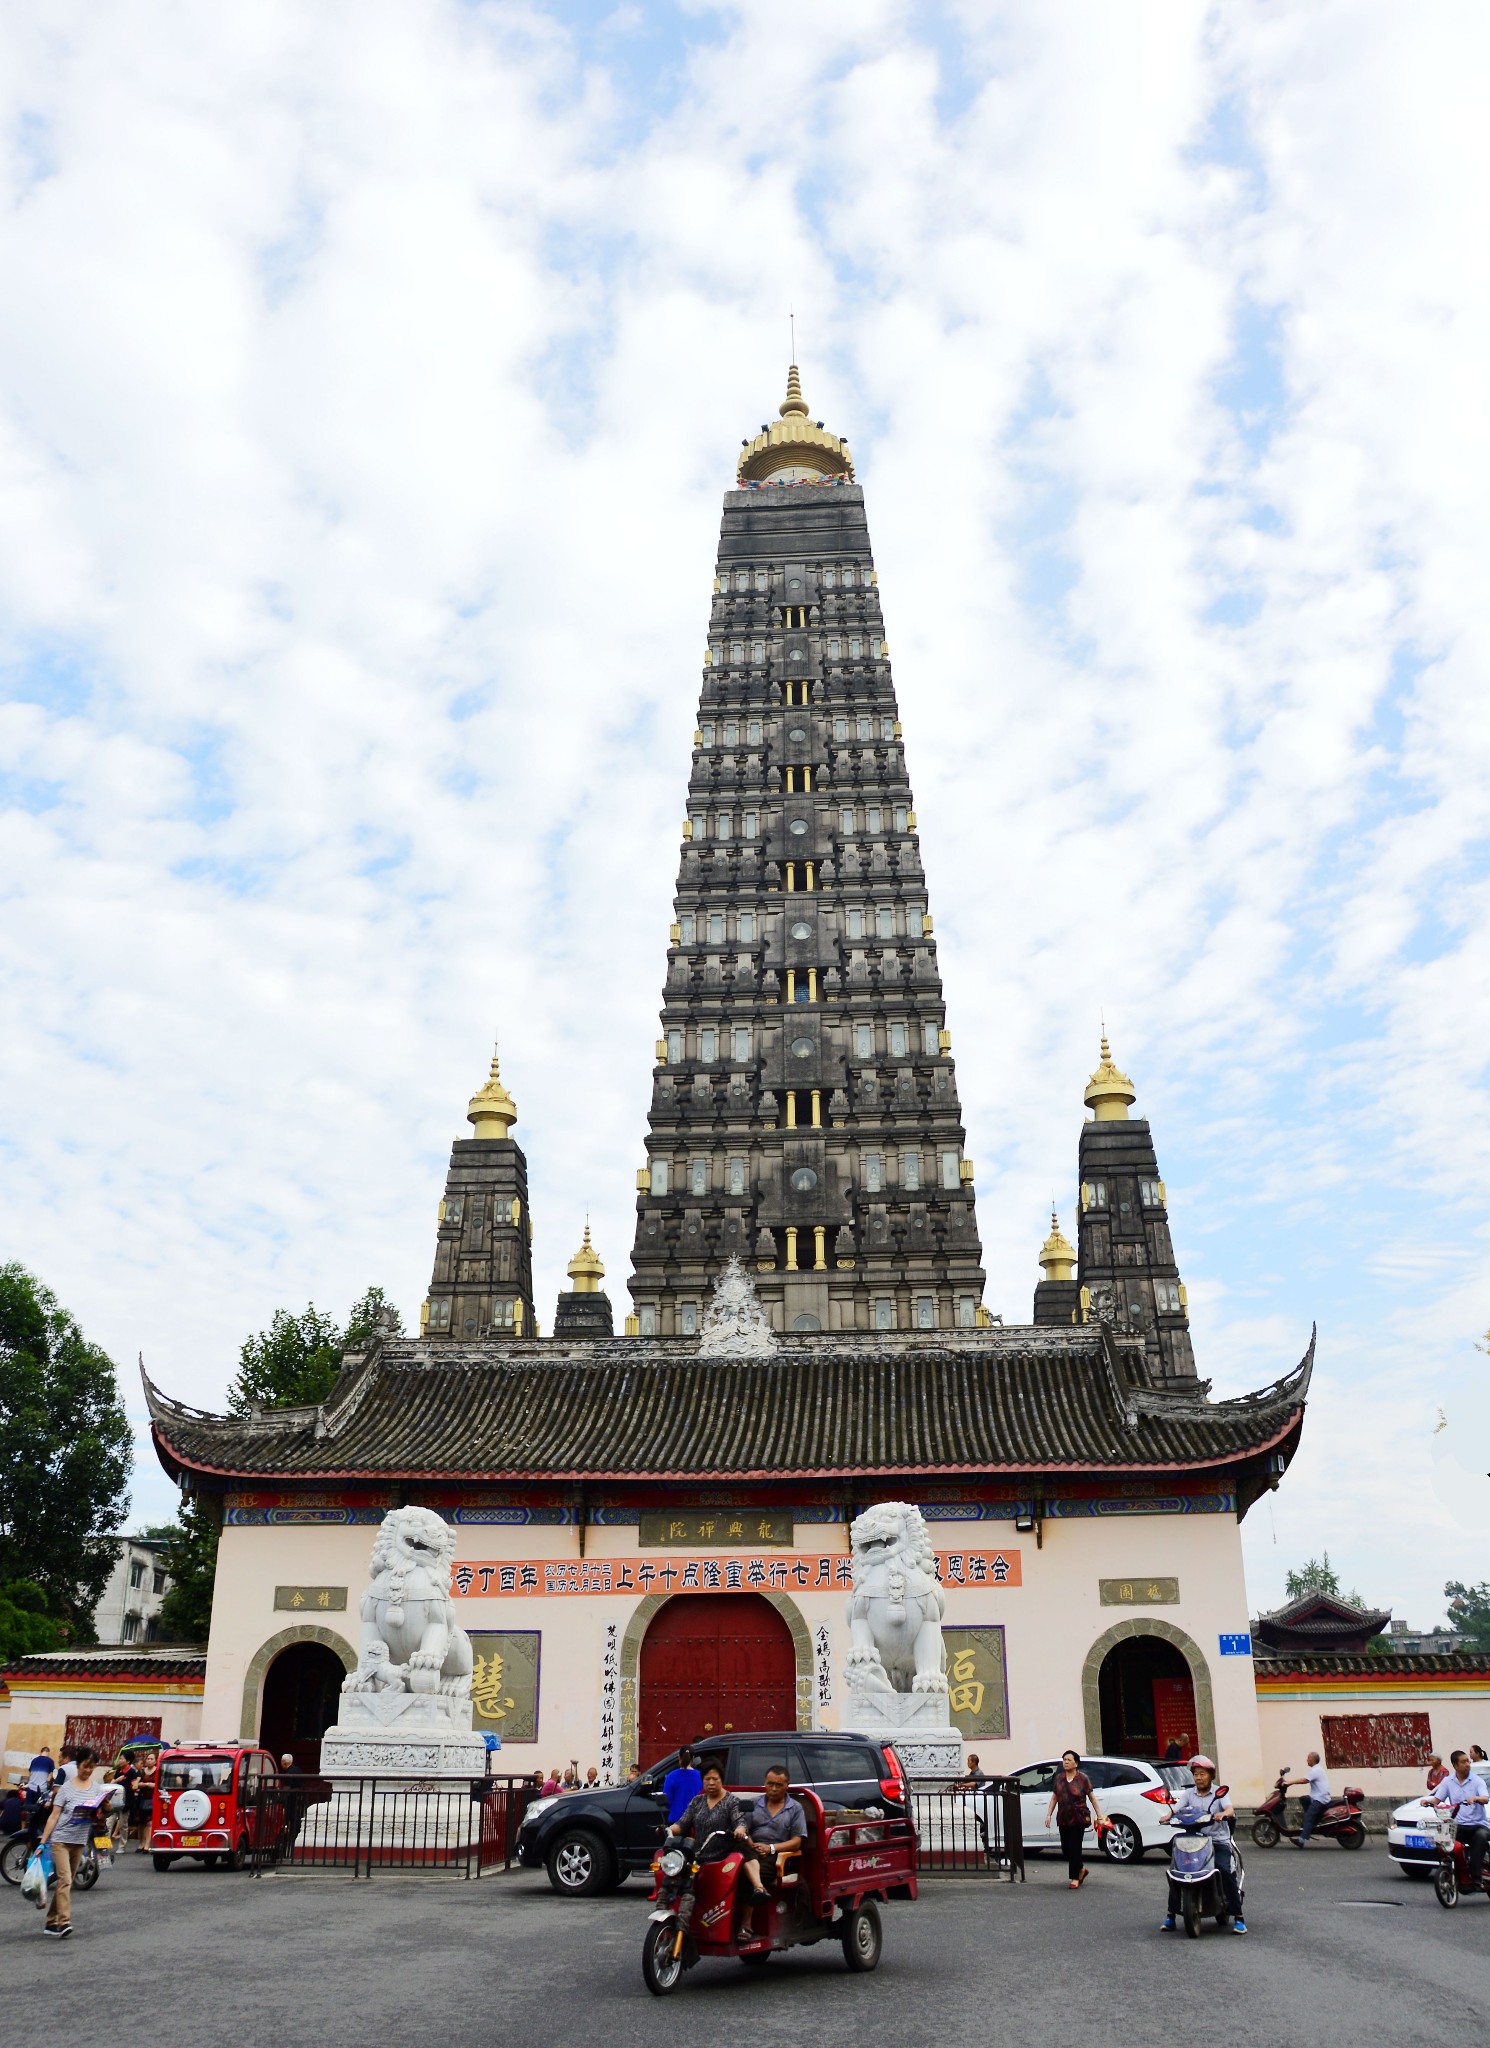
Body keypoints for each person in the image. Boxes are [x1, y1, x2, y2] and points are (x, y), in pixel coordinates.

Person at [667, 1761, 767, 1915]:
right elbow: (681, 1824)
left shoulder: (732, 1802)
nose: (711, 1783)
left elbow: (740, 1821)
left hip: (724, 1858)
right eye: (707, 1779)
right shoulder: (697, 1801)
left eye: (715, 1779)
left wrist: (740, 1830)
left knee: (741, 1865)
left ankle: (751, 1904)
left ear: (722, 1780)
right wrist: (668, 1830)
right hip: (699, 1856)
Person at [1161, 1755, 1246, 1934]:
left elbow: (1229, 1808)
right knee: (1178, 1870)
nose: (1199, 1777)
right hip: (1195, 1840)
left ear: (1210, 1775)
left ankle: (1238, 1917)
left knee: (1224, 1869)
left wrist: (1224, 1814)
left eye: (1202, 1774)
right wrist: (1168, 1816)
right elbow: (1177, 1809)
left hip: (1218, 1841)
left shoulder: (1218, 1793)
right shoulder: (1189, 1793)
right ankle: (1170, 1916)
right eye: (1196, 1774)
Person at [38, 1745, 105, 1938]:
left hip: (80, 1840)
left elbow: (102, 1812)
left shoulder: (96, 1788)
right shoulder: (66, 1789)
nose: (88, 1770)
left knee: (62, 1883)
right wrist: (43, 1843)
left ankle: (51, 1921)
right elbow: (54, 1816)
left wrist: (105, 1806)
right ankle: (64, 1921)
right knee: (66, 1880)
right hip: (60, 1840)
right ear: (78, 1765)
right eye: (85, 1766)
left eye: (92, 1767)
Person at [1043, 1750, 1112, 1889]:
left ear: (1076, 1763)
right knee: (1066, 1849)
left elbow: (1092, 1797)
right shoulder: (1059, 1778)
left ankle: (1075, 1878)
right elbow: (1054, 1797)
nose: (1066, 1762)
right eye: (1064, 1759)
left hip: (1078, 1817)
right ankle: (1081, 1869)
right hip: (1063, 1817)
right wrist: (1049, 1814)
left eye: (1069, 1759)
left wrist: (1099, 1815)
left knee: (1075, 1848)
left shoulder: (1083, 1779)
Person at [1434, 1749, 1489, 1893]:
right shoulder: (1448, 1781)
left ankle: (1476, 1879)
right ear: (1455, 1765)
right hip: (1458, 1825)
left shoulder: (1477, 1781)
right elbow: (1437, 1798)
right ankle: (1449, 1866)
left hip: (1478, 1825)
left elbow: (1485, 1798)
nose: (1467, 1764)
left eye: (1468, 1761)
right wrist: (1427, 1801)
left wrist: (1476, 1798)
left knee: (1480, 1837)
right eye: (1463, 1762)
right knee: (1441, 1837)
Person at [745, 1766, 806, 1884]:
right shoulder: (753, 1803)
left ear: (787, 1786)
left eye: (778, 1785)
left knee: (757, 1874)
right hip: (751, 1851)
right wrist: (752, 1846)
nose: (773, 1789)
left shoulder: (795, 1808)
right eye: (770, 1784)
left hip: (776, 1855)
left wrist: (770, 1848)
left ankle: (754, 1899)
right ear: (765, 1783)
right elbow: (744, 1830)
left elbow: (796, 1842)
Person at [1286, 1751, 1333, 1845]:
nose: (1307, 1760)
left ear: (1313, 1760)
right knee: (1303, 1799)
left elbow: (1304, 1780)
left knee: (1308, 1816)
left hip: (1320, 1799)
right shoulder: (1316, 1769)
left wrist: (1289, 1782)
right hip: (1317, 1797)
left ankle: (1301, 1840)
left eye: (1308, 1758)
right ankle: (1312, 1823)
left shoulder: (1316, 1770)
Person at [663, 1746, 703, 1826]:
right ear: (693, 1758)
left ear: (679, 1757)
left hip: (676, 1822)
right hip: (695, 1822)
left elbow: (667, 1800)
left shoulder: (671, 1776)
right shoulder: (700, 1776)